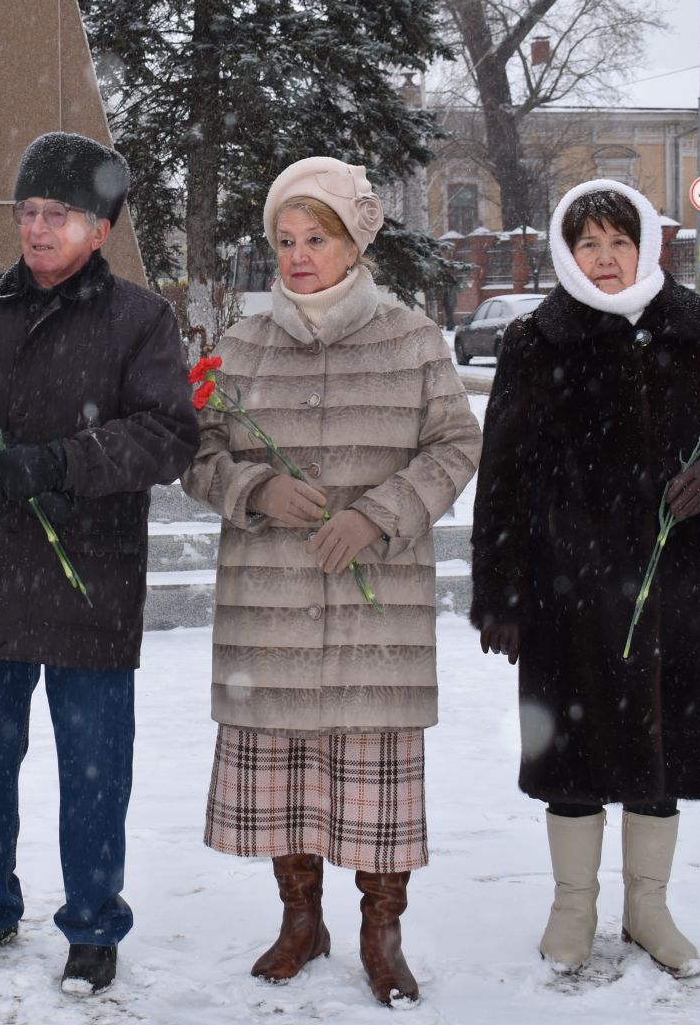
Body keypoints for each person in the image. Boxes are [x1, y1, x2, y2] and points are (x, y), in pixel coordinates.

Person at [0, 132, 198, 996]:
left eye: (55, 215)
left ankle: (93, 923)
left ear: (98, 228)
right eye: (27, 212)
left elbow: (169, 433)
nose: (36, 228)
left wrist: (64, 464)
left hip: (88, 575)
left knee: (95, 761)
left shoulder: (141, 318)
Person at [181, 158, 481, 1007]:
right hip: (270, 603)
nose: (299, 256)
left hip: (371, 608)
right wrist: (255, 490)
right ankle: (299, 921)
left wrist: (380, 514)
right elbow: (196, 453)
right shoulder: (240, 346)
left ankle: (380, 934)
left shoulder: (410, 338)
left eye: (317, 239)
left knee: (375, 776)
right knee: (286, 777)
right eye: (285, 240)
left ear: (354, 243)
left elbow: (458, 445)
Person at [470, 178, 700, 977]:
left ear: (646, 246)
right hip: (566, 586)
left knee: (661, 746)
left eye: (618, 242)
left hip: (673, 584)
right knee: (575, 747)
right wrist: (499, 592)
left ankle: (648, 905)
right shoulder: (540, 339)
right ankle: (573, 905)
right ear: (566, 253)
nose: (604, 260)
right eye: (588, 244)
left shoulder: (699, 328)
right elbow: (502, 470)